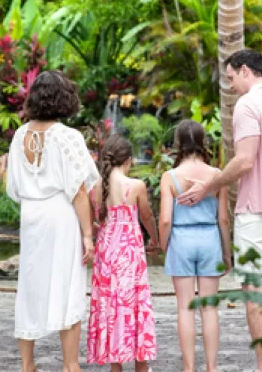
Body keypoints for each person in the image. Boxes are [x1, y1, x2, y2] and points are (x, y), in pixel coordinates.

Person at [178, 49, 262, 372]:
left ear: (245, 70)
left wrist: (209, 185)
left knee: (254, 290)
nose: (231, 86)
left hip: (257, 211)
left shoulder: (248, 105)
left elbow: (245, 160)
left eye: (231, 78)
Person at [6, 70, 99, 372]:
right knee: (67, 285)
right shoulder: (67, 137)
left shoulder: (20, 135)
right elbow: (80, 191)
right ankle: (71, 365)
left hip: (31, 216)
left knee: (30, 286)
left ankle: (27, 364)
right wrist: (87, 235)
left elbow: (13, 188)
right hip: (60, 216)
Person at [159, 120, 231, 372]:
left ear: (178, 144)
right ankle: (212, 367)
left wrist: (164, 246)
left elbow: (166, 219)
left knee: (185, 308)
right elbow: (223, 218)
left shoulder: (169, 177)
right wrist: (227, 252)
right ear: (203, 143)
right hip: (209, 238)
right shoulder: (217, 175)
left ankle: (189, 368)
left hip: (182, 239)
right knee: (210, 309)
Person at [87, 134, 158, 371]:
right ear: (128, 160)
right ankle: (141, 364)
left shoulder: (95, 189)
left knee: (110, 305)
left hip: (106, 252)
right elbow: (146, 216)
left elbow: (94, 221)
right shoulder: (136, 186)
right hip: (129, 252)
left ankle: (115, 366)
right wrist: (155, 238)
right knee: (134, 303)